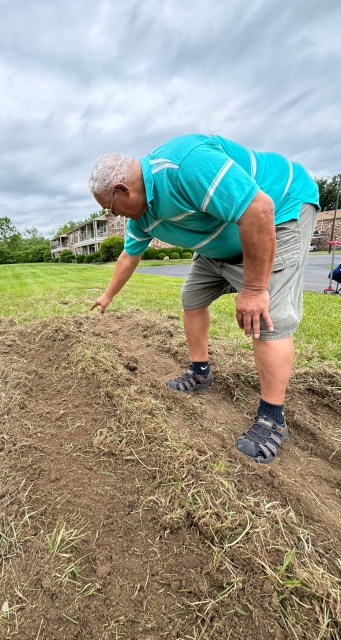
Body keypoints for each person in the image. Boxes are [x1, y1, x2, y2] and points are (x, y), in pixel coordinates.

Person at [87, 134, 319, 464]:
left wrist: (253, 290)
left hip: (279, 211)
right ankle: (201, 371)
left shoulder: (186, 164)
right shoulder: (142, 216)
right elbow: (129, 255)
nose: (117, 216)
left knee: (268, 320)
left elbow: (258, 209)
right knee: (192, 297)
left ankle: (272, 418)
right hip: (222, 243)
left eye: (111, 209)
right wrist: (107, 296)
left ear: (123, 190)